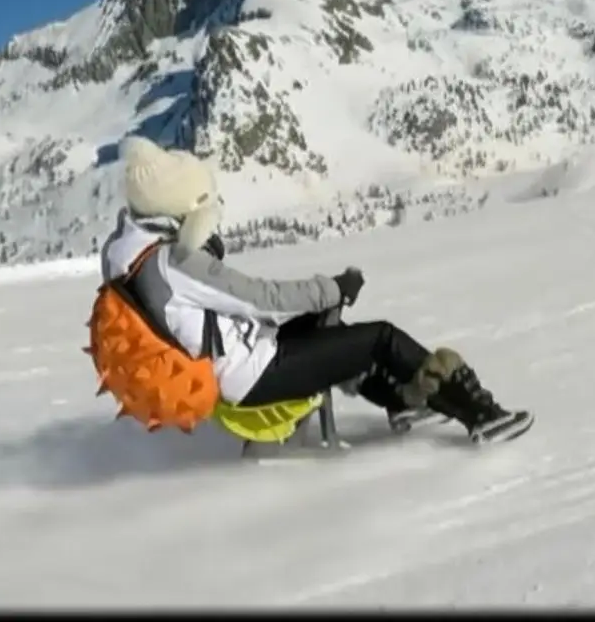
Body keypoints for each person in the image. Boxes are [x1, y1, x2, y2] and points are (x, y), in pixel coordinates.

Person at [99, 135, 523, 440]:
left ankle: (401, 402)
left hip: (239, 360)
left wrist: (323, 300)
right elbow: (261, 298)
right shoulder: (176, 264)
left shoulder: (131, 256)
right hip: (254, 375)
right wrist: (335, 288)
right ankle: (480, 414)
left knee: (328, 325)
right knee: (380, 338)